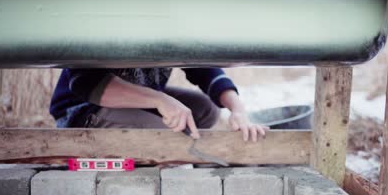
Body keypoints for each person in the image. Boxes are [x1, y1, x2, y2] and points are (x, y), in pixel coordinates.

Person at [49, 68, 268, 142]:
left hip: (137, 102)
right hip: (82, 108)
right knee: (171, 138)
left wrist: (238, 110)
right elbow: (86, 83)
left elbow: (206, 70)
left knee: (206, 109)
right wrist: (160, 100)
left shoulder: (176, 20)